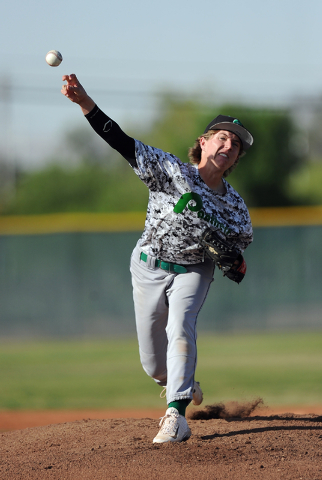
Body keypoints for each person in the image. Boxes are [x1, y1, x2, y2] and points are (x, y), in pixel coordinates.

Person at [61, 74, 254, 444]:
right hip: (148, 265)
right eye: (223, 136)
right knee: (154, 367)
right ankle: (182, 383)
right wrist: (86, 103)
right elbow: (120, 140)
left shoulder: (236, 209)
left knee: (181, 327)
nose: (229, 144)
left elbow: (239, 256)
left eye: (235, 145)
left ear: (235, 159)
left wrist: (236, 263)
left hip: (194, 272)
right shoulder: (170, 170)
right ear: (204, 142)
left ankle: (176, 416)